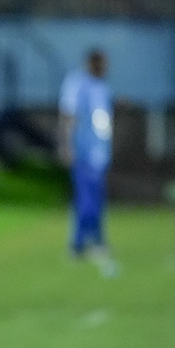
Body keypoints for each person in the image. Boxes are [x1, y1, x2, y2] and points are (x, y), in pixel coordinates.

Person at [58, 48, 117, 277]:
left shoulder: (102, 87)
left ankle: (92, 241)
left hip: (99, 152)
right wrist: (66, 145)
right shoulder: (77, 84)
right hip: (83, 151)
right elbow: (69, 115)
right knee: (87, 198)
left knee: (97, 197)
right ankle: (83, 243)